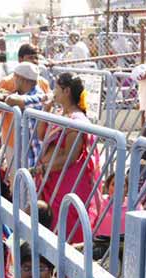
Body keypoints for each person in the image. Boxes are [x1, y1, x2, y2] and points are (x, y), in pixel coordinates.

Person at [34, 72, 106, 242]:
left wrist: (42, 168)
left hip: (67, 181)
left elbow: (70, 156)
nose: (54, 92)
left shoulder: (77, 120)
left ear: (66, 91)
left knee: (65, 224)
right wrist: (47, 108)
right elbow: (41, 135)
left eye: (56, 88)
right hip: (52, 178)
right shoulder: (61, 115)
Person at [0, 62, 49, 169]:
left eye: (15, 77)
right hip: (26, 151)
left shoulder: (35, 96)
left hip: (35, 155)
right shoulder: (28, 94)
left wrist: (3, 95)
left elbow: (11, 100)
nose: (13, 80)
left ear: (22, 79)